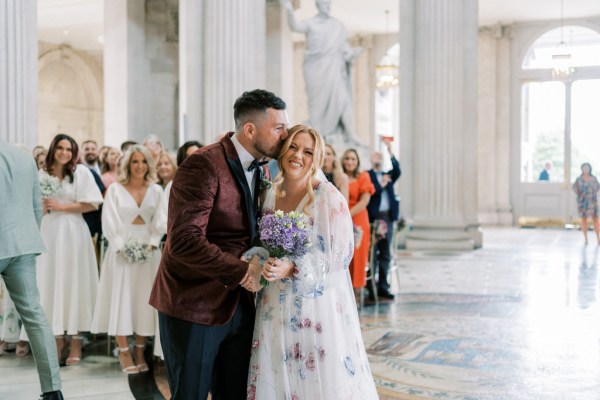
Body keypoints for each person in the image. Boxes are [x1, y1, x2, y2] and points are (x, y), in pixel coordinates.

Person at [149, 89, 289, 400]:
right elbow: (184, 242)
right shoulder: (204, 164)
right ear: (250, 129)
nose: (286, 134)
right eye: (278, 127)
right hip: (194, 303)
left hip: (241, 304)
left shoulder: (264, 168)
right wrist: (243, 269)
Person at [246, 124, 378, 399]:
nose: (298, 155)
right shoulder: (270, 193)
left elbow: (339, 258)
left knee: (312, 376)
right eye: (293, 146)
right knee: (277, 371)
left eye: (307, 151)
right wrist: (260, 263)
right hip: (273, 302)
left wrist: (293, 267)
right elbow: (264, 244)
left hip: (313, 306)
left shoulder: (328, 197)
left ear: (316, 158)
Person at [23, 133, 103, 367]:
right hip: (48, 230)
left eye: (69, 149)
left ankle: (76, 341)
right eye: (61, 148)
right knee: (50, 282)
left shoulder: (80, 173)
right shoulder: (41, 174)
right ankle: (56, 340)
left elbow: (93, 203)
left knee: (73, 282)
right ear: (53, 149)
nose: (65, 153)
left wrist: (63, 206)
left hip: (73, 231)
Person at [0, 140, 63, 400]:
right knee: (35, 315)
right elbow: (37, 206)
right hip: (23, 244)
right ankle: (52, 391)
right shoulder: (23, 156)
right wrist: (29, 236)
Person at [92, 145, 163, 374]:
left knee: (144, 300)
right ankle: (123, 351)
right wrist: (122, 247)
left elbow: (162, 220)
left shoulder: (156, 190)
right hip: (121, 249)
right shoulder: (115, 190)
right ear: (127, 164)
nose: (140, 166)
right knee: (121, 299)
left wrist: (152, 243)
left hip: (149, 250)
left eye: (144, 161)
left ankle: (141, 350)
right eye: (135, 161)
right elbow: (109, 221)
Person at [279, 0, 363, 144]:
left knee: (342, 100)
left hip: (335, 68)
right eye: (324, 3)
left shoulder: (338, 25)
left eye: (329, 4)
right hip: (316, 69)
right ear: (318, 5)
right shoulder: (311, 23)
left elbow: (345, 47)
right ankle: (318, 134)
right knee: (316, 104)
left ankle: (351, 134)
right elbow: (295, 26)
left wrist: (351, 53)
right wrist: (289, 10)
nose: (327, 7)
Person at [366, 140, 401, 300]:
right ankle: (371, 285)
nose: (378, 158)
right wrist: (381, 182)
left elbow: (398, 170)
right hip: (374, 218)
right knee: (373, 253)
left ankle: (383, 287)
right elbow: (375, 191)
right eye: (375, 156)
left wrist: (390, 151)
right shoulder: (368, 175)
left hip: (387, 216)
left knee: (386, 252)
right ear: (371, 160)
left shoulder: (388, 175)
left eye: (380, 156)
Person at [342, 148, 375, 298]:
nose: (350, 161)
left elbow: (365, 201)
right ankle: (343, 294)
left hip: (358, 219)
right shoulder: (339, 176)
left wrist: (347, 215)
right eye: (347, 158)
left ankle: (356, 296)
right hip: (341, 219)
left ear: (357, 161)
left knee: (357, 255)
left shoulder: (363, 176)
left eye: (353, 159)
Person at [573, 162, 600, 245]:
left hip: (592, 202)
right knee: (584, 220)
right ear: (582, 169)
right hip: (583, 203)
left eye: (587, 168)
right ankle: (586, 239)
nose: (586, 170)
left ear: (590, 169)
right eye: (584, 168)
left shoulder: (594, 179)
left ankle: (598, 238)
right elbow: (575, 189)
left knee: (595, 219)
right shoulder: (579, 179)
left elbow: (598, 188)